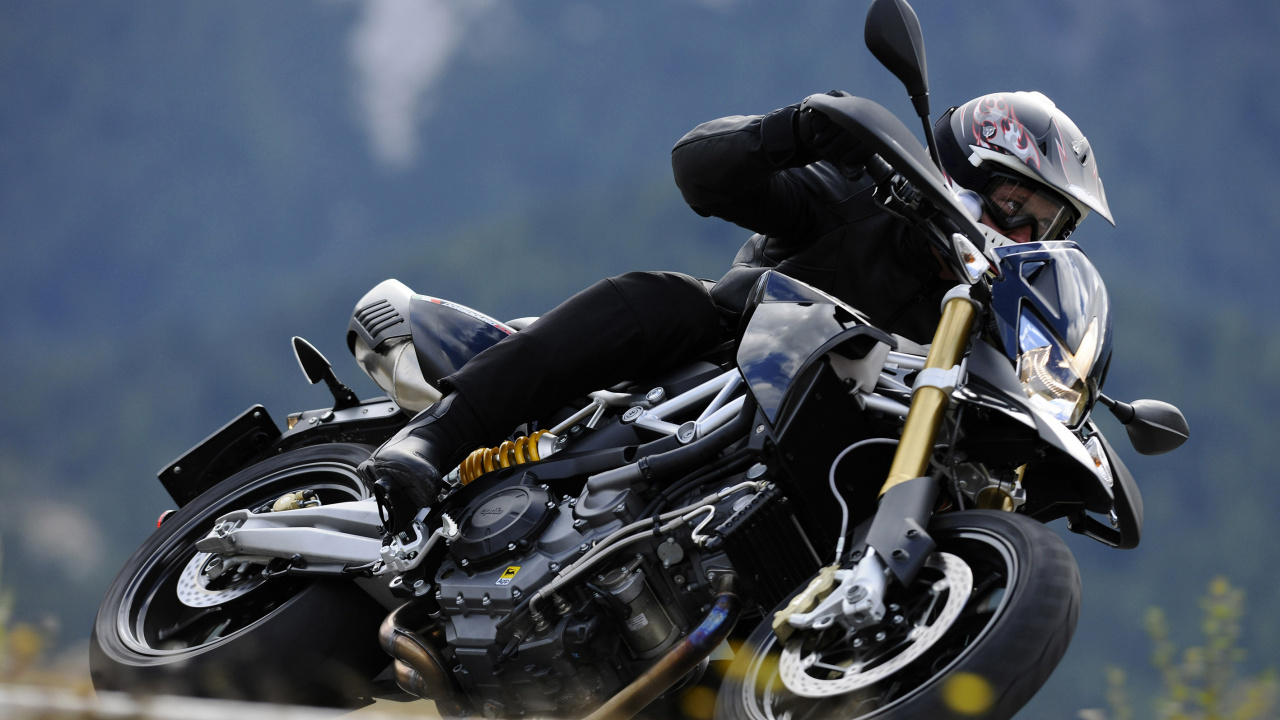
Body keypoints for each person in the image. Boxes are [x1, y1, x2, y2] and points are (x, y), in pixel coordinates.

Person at [357, 90, 1114, 532]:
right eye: (1019, 207)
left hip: (829, 455)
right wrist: (793, 132)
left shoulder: (987, 323)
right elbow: (702, 174)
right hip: (721, 368)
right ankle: (431, 438)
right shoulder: (862, 200)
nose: (1027, 237)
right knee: (670, 299)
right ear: (968, 170)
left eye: (1047, 227)